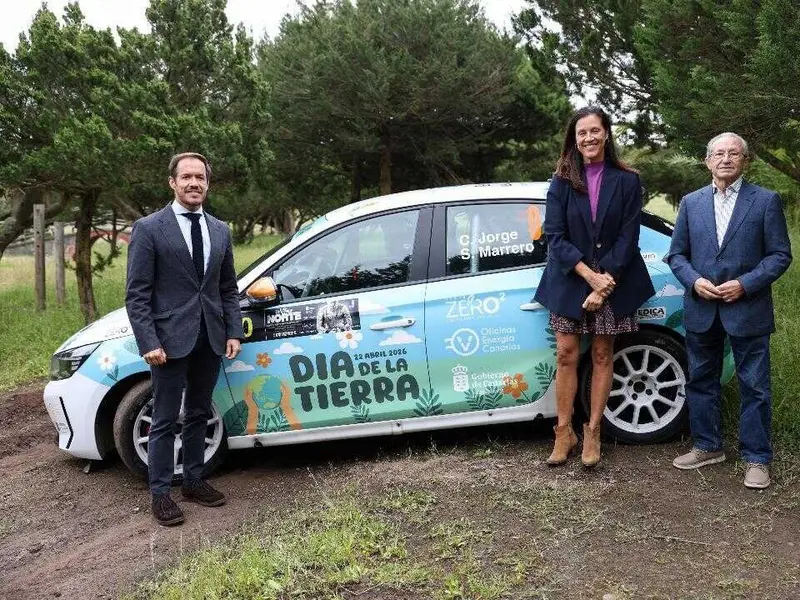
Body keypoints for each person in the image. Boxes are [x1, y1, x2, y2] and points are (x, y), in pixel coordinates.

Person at [666, 133, 792, 489]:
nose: (725, 159)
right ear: (707, 161)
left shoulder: (766, 201)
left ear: (745, 161)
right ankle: (707, 446)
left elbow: (780, 255)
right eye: (718, 153)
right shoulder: (691, 203)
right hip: (702, 306)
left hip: (747, 307)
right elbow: (677, 255)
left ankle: (757, 458)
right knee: (701, 380)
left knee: (755, 386)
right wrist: (693, 281)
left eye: (733, 153)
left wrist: (745, 284)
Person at [126, 152, 244, 526]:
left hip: (209, 337)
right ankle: (160, 494)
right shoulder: (148, 228)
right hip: (167, 343)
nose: (194, 183)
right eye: (187, 177)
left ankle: (193, 480)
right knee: (163, 418)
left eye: (201, 178)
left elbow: (227, 288)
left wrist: (233, 330)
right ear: (172, 183)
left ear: (208, 184)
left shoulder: (220, 230)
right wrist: (148, 341)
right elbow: (137, 294)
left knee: (197, 412)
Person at [535, 106, 655, 467]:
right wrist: (590, 278)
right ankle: (563, 432)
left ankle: (593, 431)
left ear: (606, 134)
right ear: (574, 139)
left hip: (614, 279)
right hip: (571, 277)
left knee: (603, 354)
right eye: (581, 132)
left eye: (594, 131)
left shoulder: (628, 180)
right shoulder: (560, 182)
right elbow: (554, 238)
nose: (588, 138)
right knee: (566, 355)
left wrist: (604, 285)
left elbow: (628, 238)